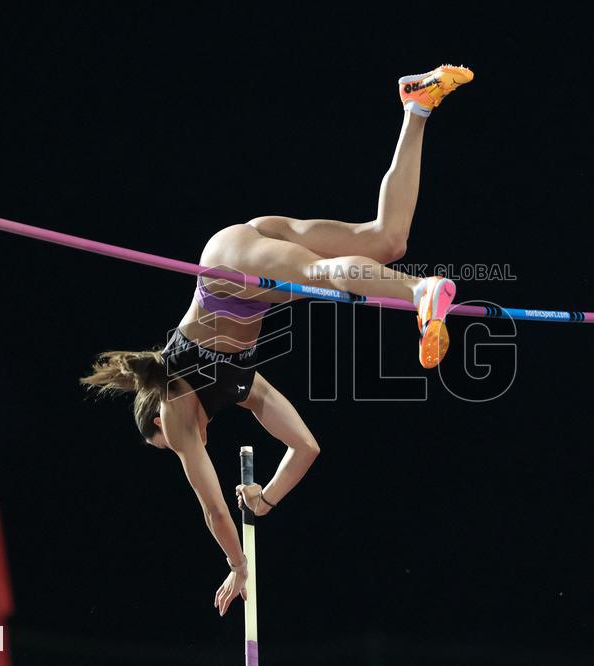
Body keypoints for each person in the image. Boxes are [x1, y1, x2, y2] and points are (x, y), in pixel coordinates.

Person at [80, 64, 473, 616]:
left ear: (156, 416)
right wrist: (265, 499)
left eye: (169, 441)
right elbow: (305, 447)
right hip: (251, 252)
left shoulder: (174, 405)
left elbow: (212, 509)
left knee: (326, 276)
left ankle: (421, 294)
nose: (193, 437)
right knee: (386, 239)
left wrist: (238, 566)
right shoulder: (240, 384)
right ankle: (417, 107)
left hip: (227, 271)